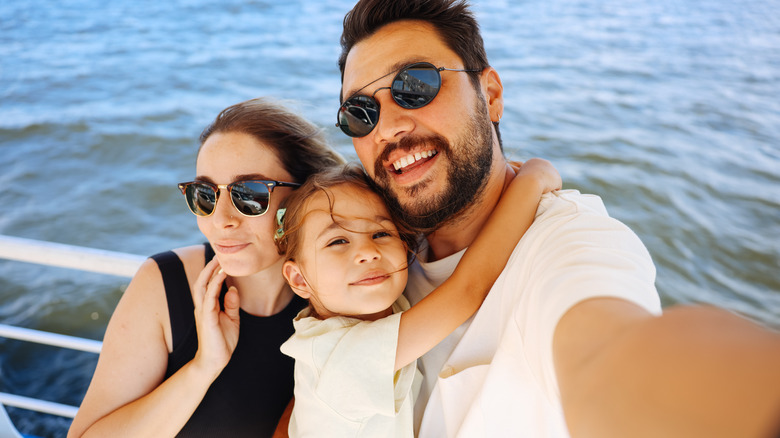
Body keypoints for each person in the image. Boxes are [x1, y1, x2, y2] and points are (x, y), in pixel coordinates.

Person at [335, 1, 780, 437]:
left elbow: (610, 352)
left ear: (490, 95)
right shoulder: (367, 258)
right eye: (360, 113)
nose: (387, 127)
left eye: (415, 86)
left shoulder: (568, 246)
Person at [67, 98, 345, 438]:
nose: (220, 220)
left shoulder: (341, 289)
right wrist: (203, 367)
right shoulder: (165, 284)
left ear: (305, 194)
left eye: (249, 194)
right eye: (205, 194)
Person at [274, 160, 559, 436]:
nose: (368, 252)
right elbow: (468, 289)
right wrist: (532, 182)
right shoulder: (345, 357)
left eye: (381, 233)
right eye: (338, 241)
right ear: (299, 279)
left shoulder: (340, 313)